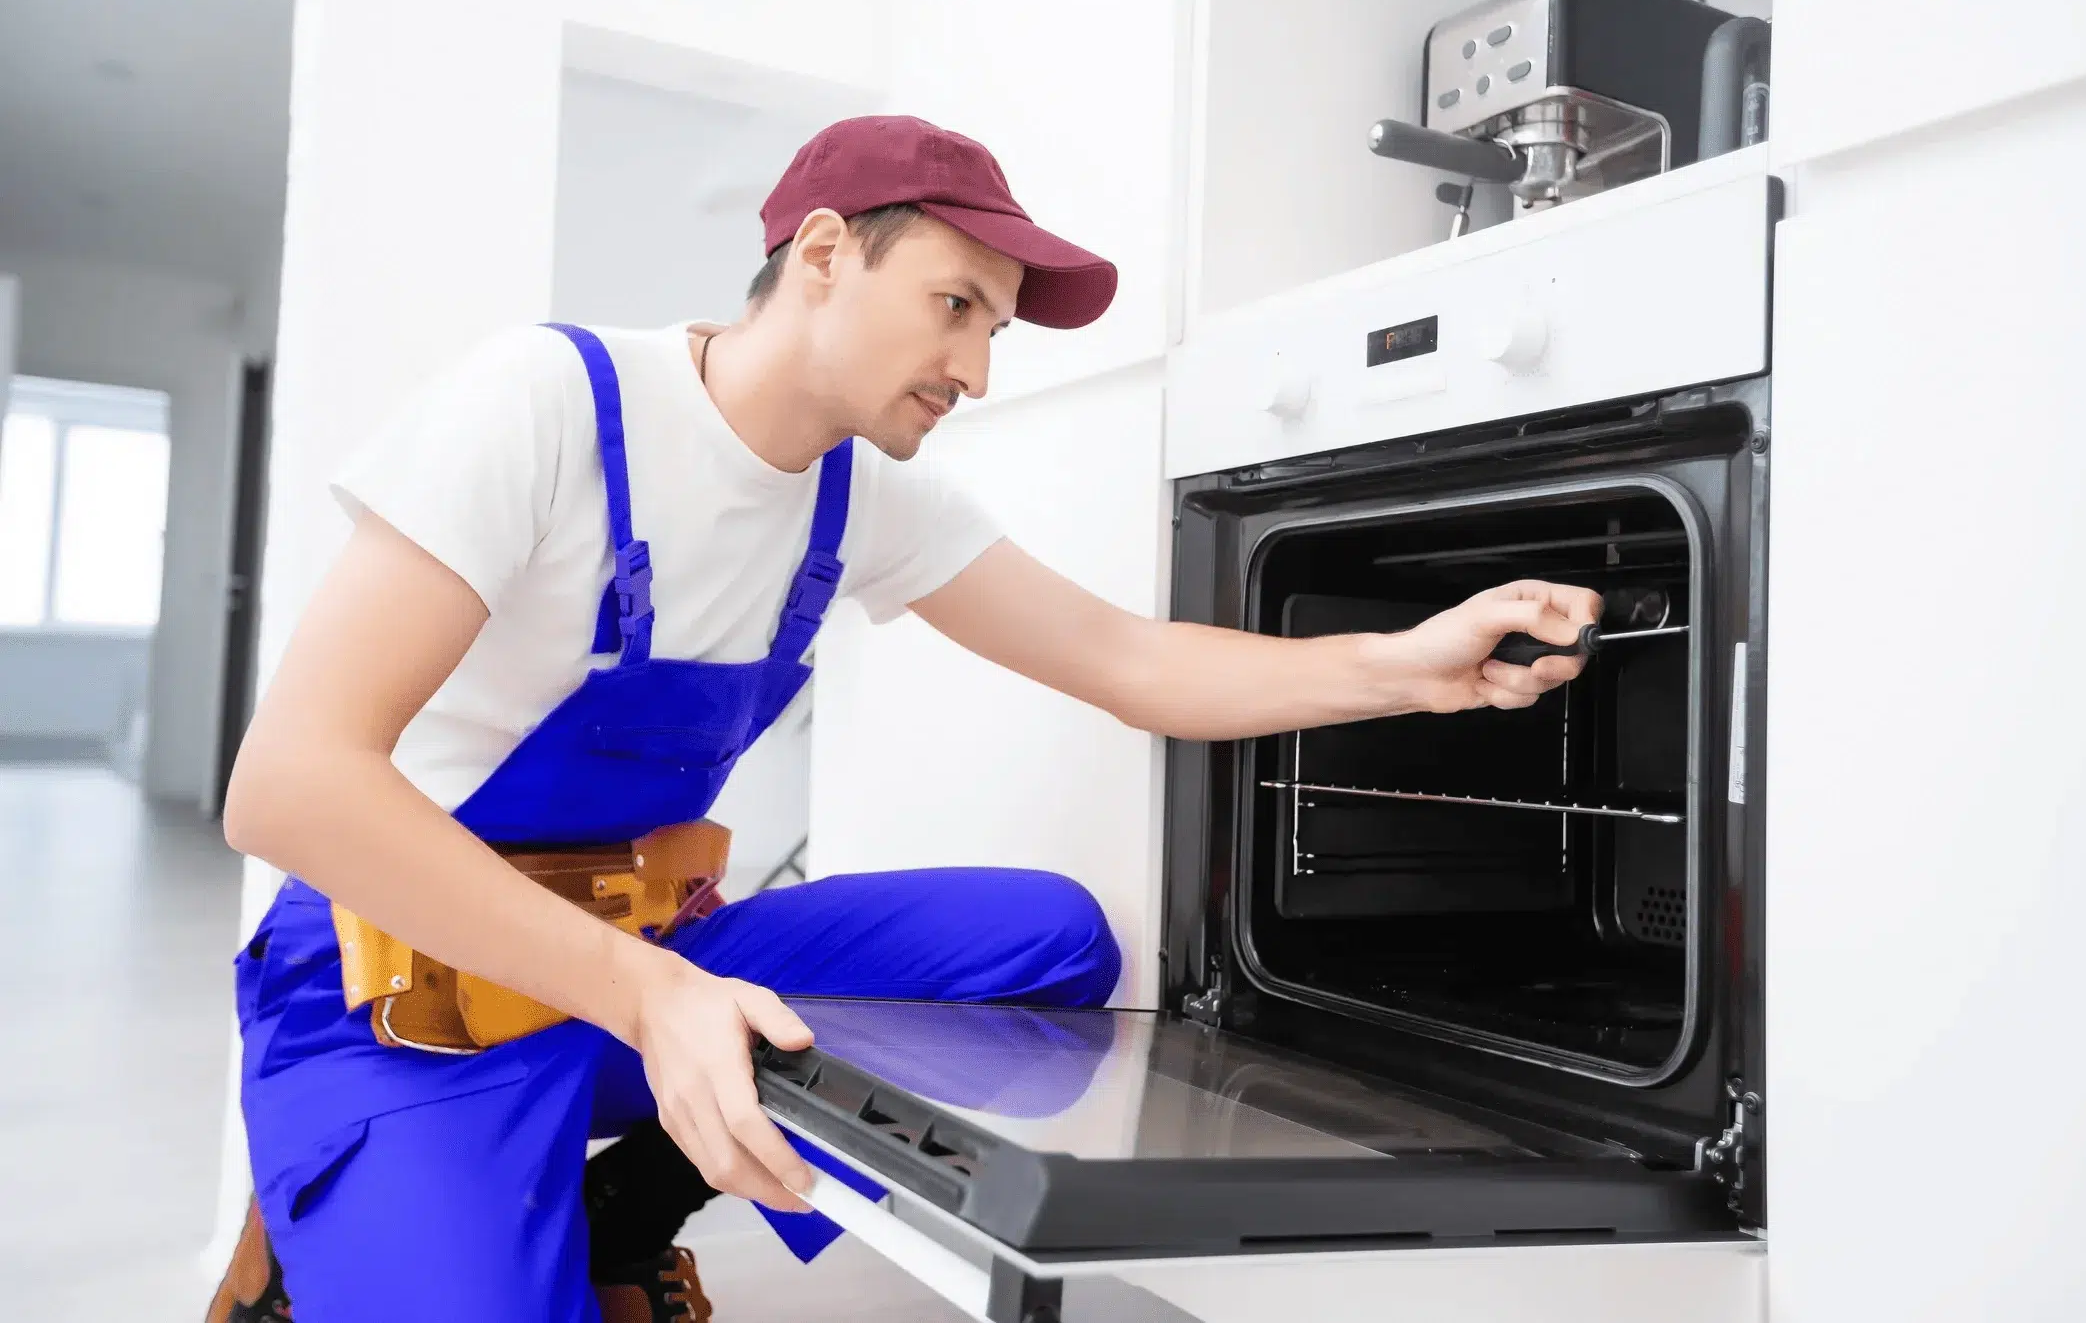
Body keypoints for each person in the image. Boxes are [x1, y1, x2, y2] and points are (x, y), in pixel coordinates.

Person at [206, 115, 1600, 1322]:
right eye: (956, 306)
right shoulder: (549, 403)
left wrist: (1409, 665)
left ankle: (626, 1206)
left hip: (632, 960)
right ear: (823, 254)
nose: (977, 369)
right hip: (393, 993)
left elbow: (1125, 658)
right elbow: (288, 785)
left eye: (994, 329)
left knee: (1050, 943)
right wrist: (651, 995)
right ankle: (331, 1231)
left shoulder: (858, 493)